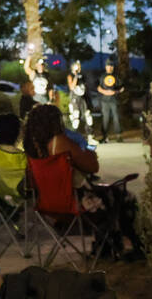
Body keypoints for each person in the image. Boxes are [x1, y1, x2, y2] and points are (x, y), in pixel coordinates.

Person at [22, 104, 141, 258]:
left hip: (49, 204)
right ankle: (133, 245)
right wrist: (89, 154)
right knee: (122, 195)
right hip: (75, 203)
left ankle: (106, 245)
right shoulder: (59, 142)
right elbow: (93, 167)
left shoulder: (32, 150)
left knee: (109, 195)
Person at [96, 62, 123, 143]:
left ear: (113, 67)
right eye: (108, 66)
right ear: (106, 67)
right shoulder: (102, 76)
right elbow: (98, 87)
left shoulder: (116, 76)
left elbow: (122, 88)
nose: (110, 67)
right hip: (104, 101)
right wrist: (105, 92)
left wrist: (115, 92)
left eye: (111, 66)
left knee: (116, 117)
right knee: (105, 119)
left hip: (114, 100)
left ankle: (119, 136)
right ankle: (105, 137)